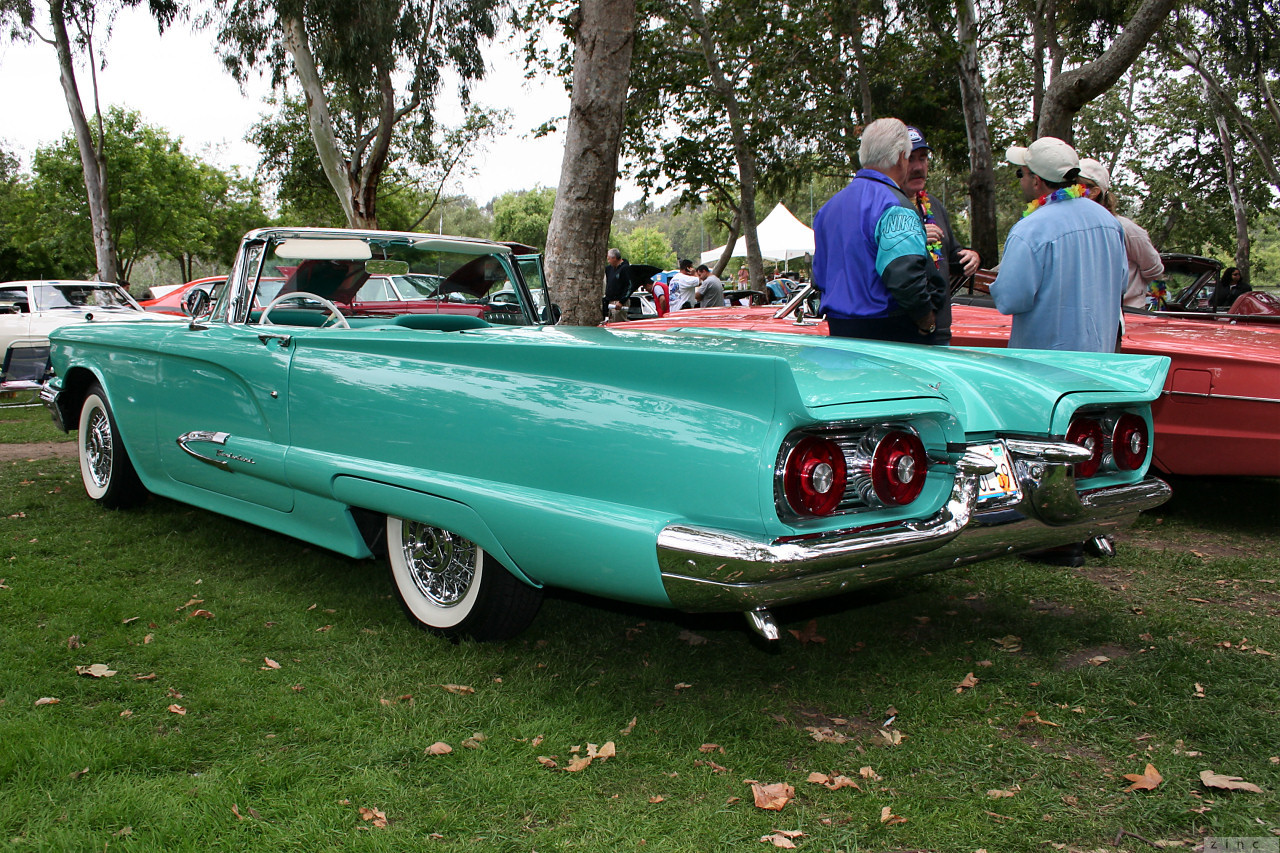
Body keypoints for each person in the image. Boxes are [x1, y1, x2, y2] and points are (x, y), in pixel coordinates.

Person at [812, 117, 946, 344]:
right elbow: (905, 278)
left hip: (839, 330)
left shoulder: (828, 209)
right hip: (888, 332)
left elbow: (819, 278)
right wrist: (927, 321)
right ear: (901, 156)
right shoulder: (894, 206)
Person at [990, 137, 1127, 353]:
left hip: (1045, 366)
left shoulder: (1030, 229)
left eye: (1021, 174)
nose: (1020, 180)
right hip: (1098, 361)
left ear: (1036, 181)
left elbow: (1009, 300)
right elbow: (1121, 283)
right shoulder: (1109, 222)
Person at [903, 126, 981, 345]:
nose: (918, 167)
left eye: (923, 158)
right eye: (910, 159)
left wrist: (970, 256)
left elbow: (949, 257)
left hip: (940, 330)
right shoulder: (887, 206)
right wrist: (914, 238)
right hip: (904, 334)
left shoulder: (933, 206)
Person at [1076, 158, 1165, 311]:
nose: (1065, 191)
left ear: (1094, 192)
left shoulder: (1126, 229)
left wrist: (1159, 306)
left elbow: (1155, 271)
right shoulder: (1073, 230)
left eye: (1074, 186)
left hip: (1128, 315)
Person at [603, 248, 631, 321]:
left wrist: (622, 301)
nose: (608, 261)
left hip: (619, 301)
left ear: (614, 258)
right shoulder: (609, 269)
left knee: (618, 323)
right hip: (610, 301)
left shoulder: (625, 268)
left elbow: (629, 286)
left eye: (609, 259)